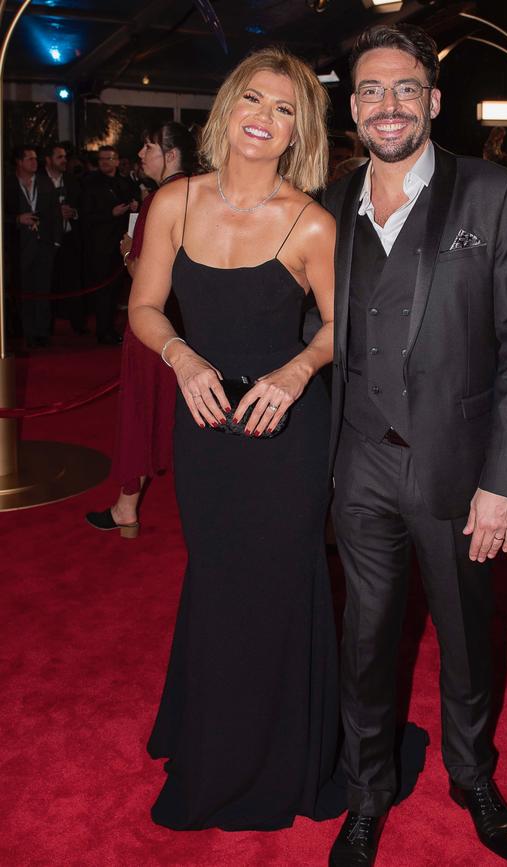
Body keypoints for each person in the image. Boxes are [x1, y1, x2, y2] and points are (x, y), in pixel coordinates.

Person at [322, 24, 507, 866]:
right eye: (373, 90)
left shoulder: (493, 194)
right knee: (366, 640)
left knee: (466, 634)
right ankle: (367, 792)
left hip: (459, 469)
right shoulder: (331, 201)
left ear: (434, 102)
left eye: (406, 89)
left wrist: (505, 481)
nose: (389, 105)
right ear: (352, 106)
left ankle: (472, 773)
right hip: (359, 466)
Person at [129, 48, 339, 830]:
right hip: (206, 424)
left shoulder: (309, 221)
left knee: (280, 588)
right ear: (227, 106)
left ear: (299, 130)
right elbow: (145, 307)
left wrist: (296, 371)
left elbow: (340, 327)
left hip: (285, 434)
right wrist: (181, 356)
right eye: (254, 99)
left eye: (285, 109)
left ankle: (286, 757)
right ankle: (210, 738)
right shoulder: (175, 201)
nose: (265, 117)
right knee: (216, 580)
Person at [85, 122, 196, 538]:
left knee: (141, 414)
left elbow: (144, 275)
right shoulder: (198, 191)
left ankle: (125, 509)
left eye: (148, 147)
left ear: (170, 154)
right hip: (189, 321)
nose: (142, 155)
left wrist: (129, 253)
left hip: (153, 324)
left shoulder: (160, 200)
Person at [81, 145, 139, 344]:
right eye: (101, 159)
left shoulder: (125, 182)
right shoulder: (90, 183)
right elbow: (85, 216)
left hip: (122, 244)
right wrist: (110, 214)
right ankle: (103, 331)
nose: (104, 162)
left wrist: (134, 206)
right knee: (102, 292)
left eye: (108, 158)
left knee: (115, 291)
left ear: (117, 160)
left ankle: (110, 330)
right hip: (99, 245)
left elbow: (135, 203)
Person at [5, 145, 62, 348]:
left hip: (44, 244)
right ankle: (26, 332)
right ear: (19, 162)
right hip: (18, 247)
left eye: (35, 158)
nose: (34, 162)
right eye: (29, 159)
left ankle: (42, 332)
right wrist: (18, 219)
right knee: (24, 290)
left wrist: (56, 241)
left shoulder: (44, 182)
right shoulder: (7, 184)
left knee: (43, 289)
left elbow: (55, 212)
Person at [43, 142, 85, 335]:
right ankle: (45, 328)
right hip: (45, 241)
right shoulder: (38, 180)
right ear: (48, 160)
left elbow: (83, 208)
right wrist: (55, 213)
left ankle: (78, 324)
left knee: (74, 282)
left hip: (69, 239)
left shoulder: (71, 180)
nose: (64, 160)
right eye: (59, 157)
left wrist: (73, 213)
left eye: (65, 157)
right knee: (46, 284)